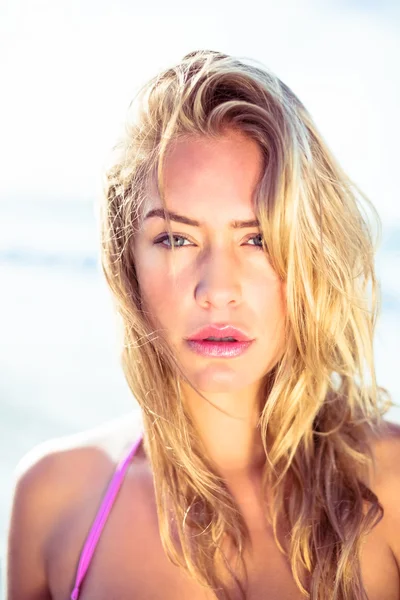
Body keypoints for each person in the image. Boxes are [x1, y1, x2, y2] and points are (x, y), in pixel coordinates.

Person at [5, 49, 400, 600]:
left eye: (258, 239)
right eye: (175, 238)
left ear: (308, 255)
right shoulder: (55, 498)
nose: (217, 288)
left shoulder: (393, 485)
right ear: (127, 262)